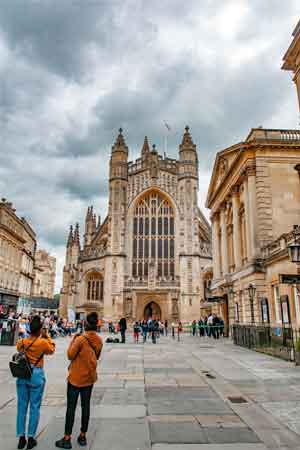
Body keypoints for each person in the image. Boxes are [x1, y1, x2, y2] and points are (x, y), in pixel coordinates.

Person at [55, 312, 103, 449]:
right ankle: (83, 436)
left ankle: (67, 438)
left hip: (76, 378)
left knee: (71, 408)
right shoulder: (99, 340)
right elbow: (97, 356)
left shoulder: (81, 339)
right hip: (89, 378)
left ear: (86, 324)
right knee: (85, 407)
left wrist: (73, 340)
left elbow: (70, 355)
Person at [16, 315, 55, 450]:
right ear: (39, 331)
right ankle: (31, 437)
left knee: (21, 407)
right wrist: (47, 336)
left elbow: (18, 349)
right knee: (34, 407)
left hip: (23, 374)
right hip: (36, 375)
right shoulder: (43, 342)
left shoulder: (22, 342)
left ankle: (21, 437)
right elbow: (51, 349)